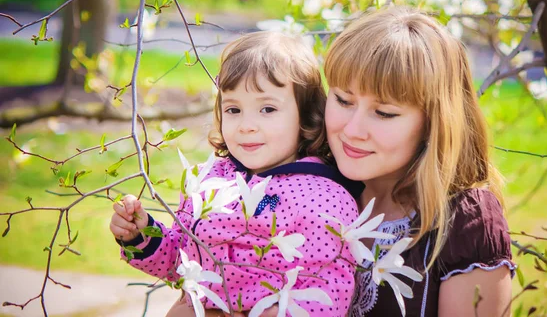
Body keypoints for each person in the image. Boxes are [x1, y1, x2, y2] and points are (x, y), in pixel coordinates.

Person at [109, 31, 361, 316]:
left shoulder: (322, 198)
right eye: (233, 109)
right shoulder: (209, 180)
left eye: (267, 109)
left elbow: (330, 290)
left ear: (306, 116)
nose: (246, 125)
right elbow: (181, 262)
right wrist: (141, 236)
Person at [322, 7, 515, 316]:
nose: (352, 130)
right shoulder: (307, 186)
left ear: (433, 123)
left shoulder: (466, 224)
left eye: (384, 113)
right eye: (344, 101)